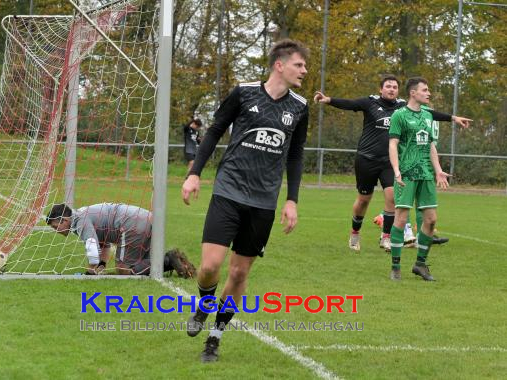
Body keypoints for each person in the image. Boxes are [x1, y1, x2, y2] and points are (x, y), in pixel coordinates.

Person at [181, 39, 309, 362]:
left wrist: (291, 200)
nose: (304, 71)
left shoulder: (299, 107)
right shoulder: (244, 92)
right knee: (210, 267)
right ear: (279, 65)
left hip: (264, 202)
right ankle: (204, 304)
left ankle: (215, 337)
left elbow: (295, 157)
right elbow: (213, 131)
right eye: (299, 64)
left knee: (239, 274)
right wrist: (195, 172)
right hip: (228, 190)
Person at [314, 76, 470, 253]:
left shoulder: (403, 106)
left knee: (392, 197)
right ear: (381, 89)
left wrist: (453, 118)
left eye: (395, 87)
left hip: (389, 162)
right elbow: (350, 104)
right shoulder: (370, 102)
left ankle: (386, 237)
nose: (391, 89)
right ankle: (355, 232)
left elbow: (429, 113)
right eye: (388, 86)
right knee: (363, 200)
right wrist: (328, 100)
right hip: (366, 159)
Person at [388, 77, 450, 281]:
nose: (428, 93)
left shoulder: (428, 116)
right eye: (425, 90)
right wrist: (396, 171)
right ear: (413, 93)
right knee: (402, 218)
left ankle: (420, 265)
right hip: (406, 174)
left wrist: (438, 170)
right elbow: (393, 144)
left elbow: (431, 145)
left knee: (431, 221)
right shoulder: (399, 115)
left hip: (425, 175)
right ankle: (396, 267)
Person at [45, 203, 195, 277]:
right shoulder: (82, 215)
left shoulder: (79, 221)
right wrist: (102, 265)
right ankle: (176, 263)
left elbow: (92, 247)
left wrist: (90, 273)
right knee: (141, 264)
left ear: (64, 220)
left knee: (124, 270)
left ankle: (168, 260)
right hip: (142, 218)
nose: (55, 230)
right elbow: (104, 243)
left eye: (54, 226)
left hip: (131, 225)